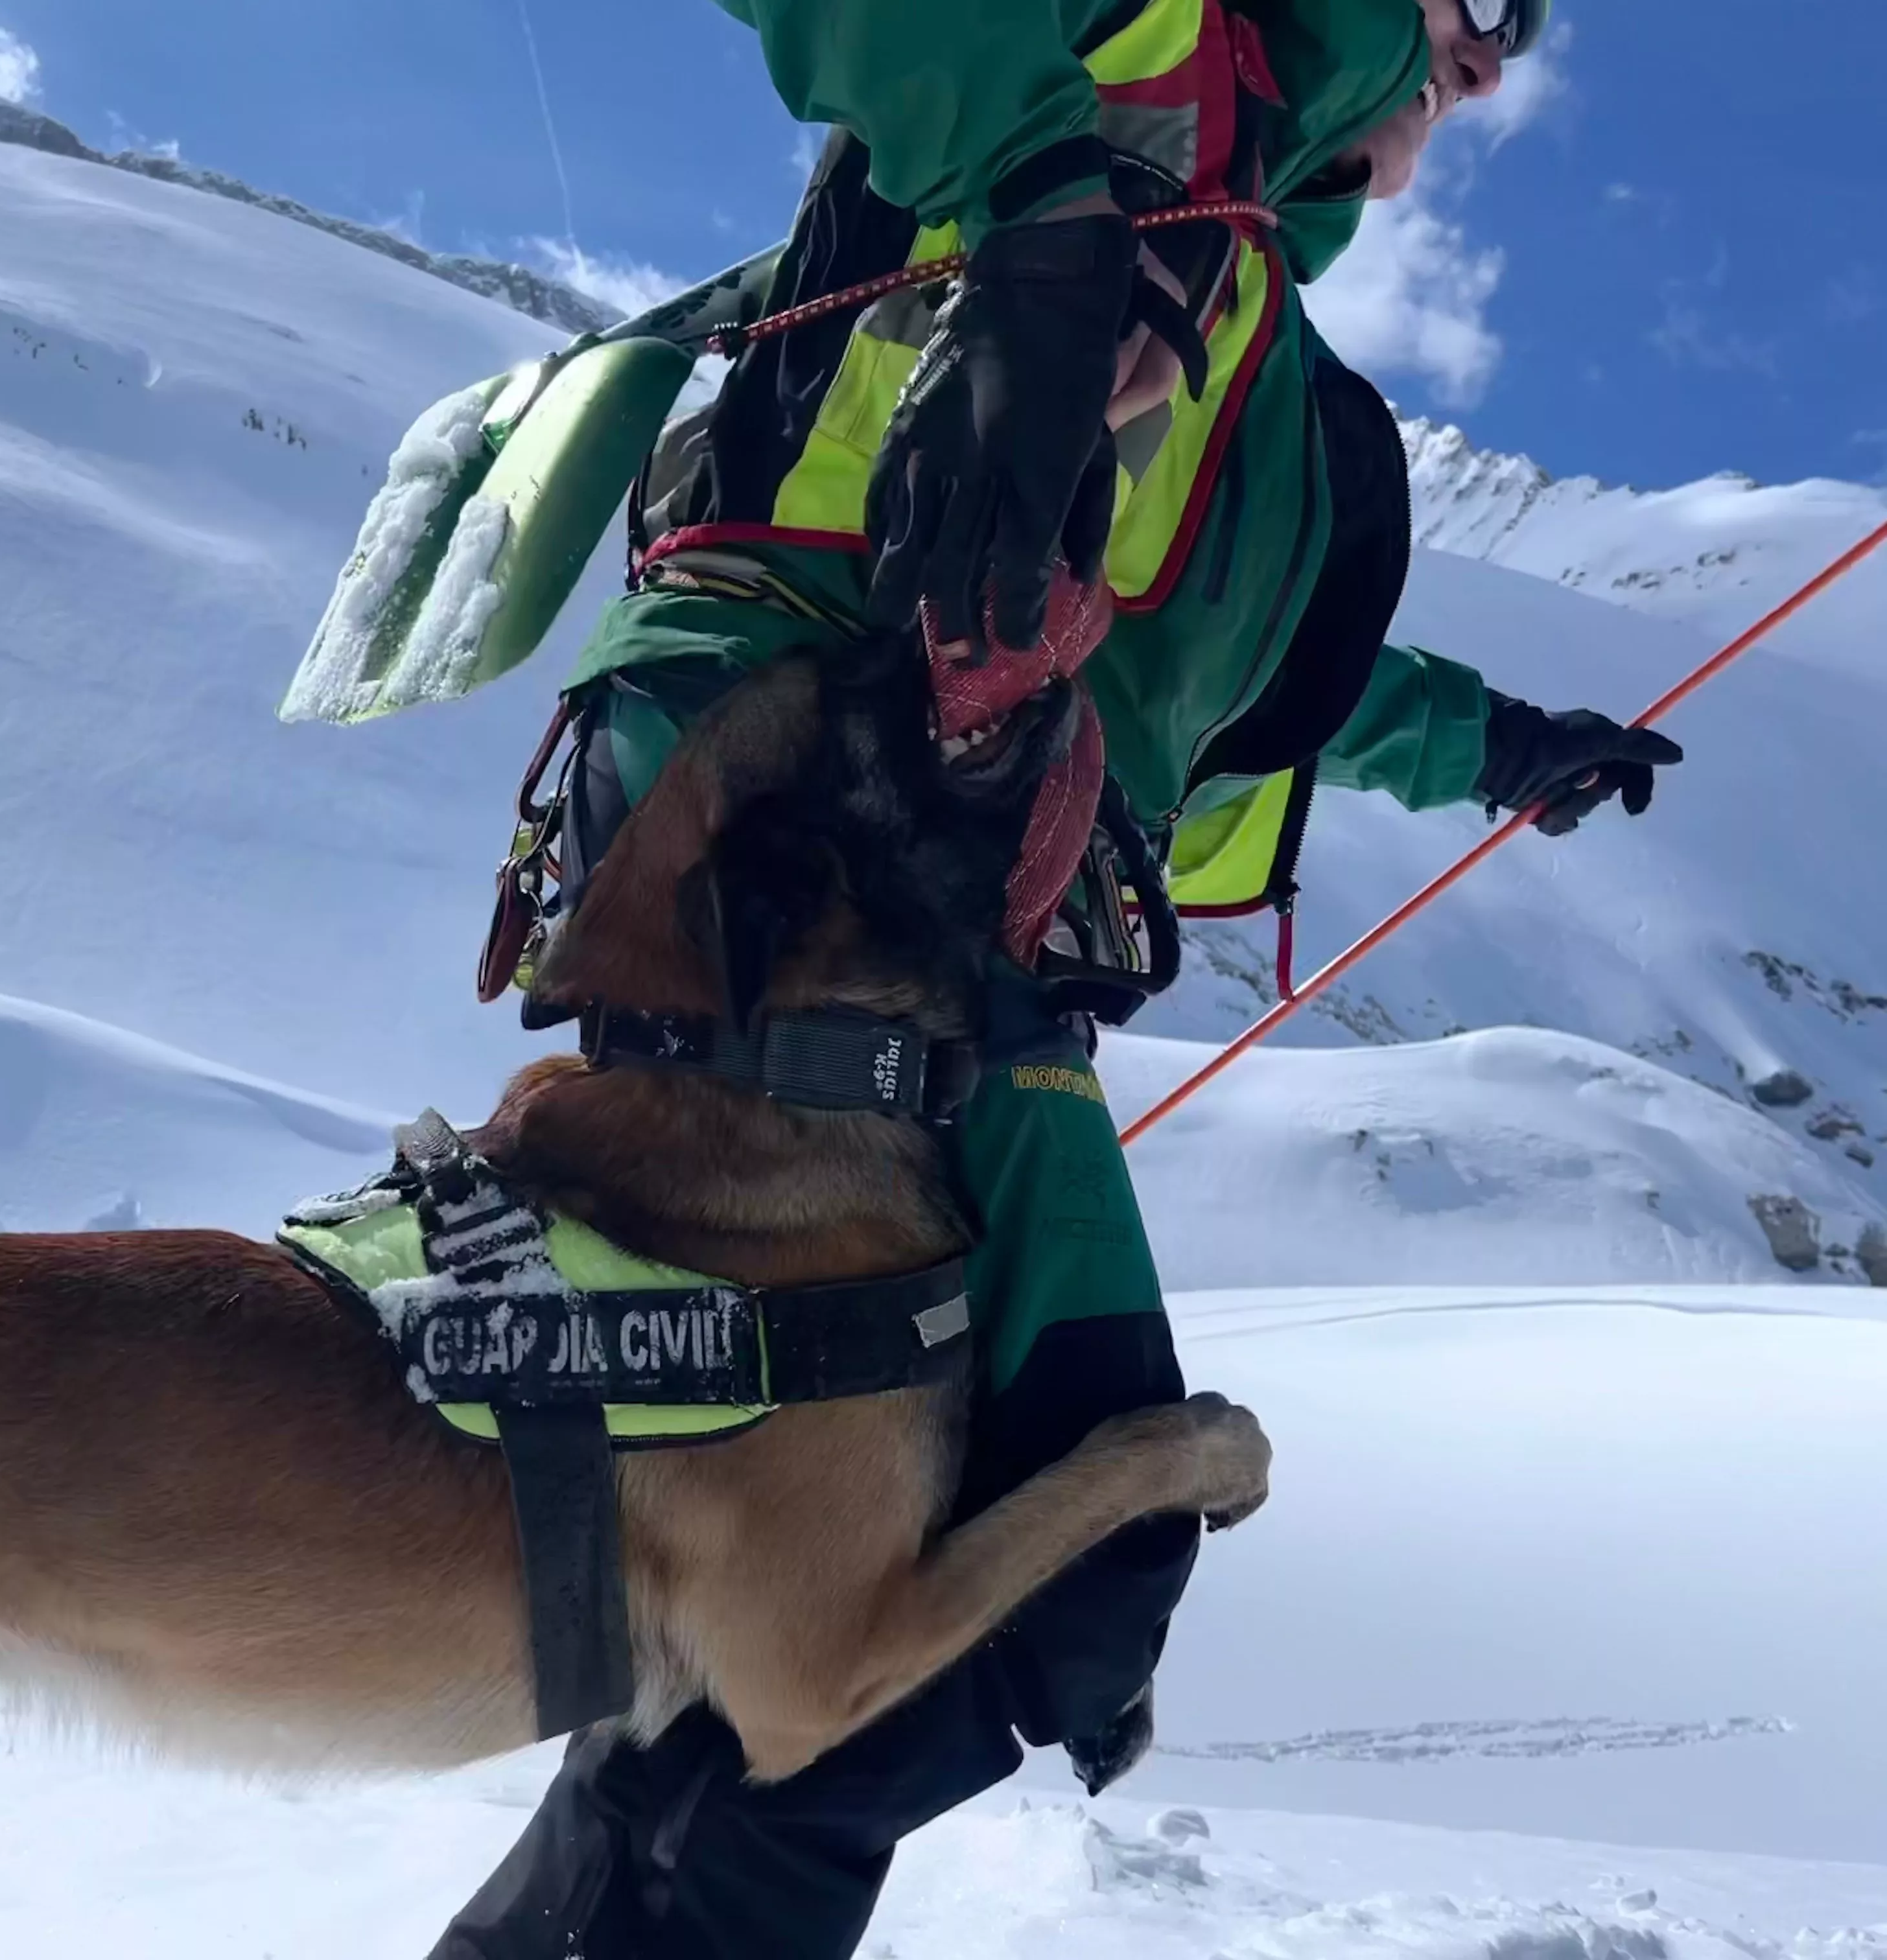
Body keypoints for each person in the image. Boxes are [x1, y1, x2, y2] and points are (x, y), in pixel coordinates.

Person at [430, 1, 1679, 1955]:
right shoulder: (1149, 55)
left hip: (933, 907)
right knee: (1059, 1552)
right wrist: (1030, 184)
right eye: (1492, 2)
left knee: (833, 1562)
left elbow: (1235, 684)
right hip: (804, 832)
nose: (1506, 59)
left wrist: (1501, 742)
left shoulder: (1255, 328)